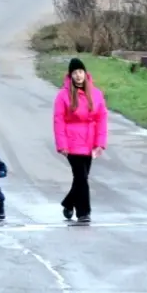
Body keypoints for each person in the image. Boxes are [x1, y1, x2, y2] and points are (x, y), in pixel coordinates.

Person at [53, 58, 107, 223]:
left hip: (89, 143)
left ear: (85, 73)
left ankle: (69, 203)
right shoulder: (63, 96)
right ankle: (83, 212)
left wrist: (100, 143)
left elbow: (101, 118)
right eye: (75, 73)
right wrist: (62, 145)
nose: (78, 76)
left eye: (80, 72)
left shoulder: (96, 94)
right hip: (72, 143)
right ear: (70, 75)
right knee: (81, 178)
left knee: (81, 178)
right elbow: (58, 120)